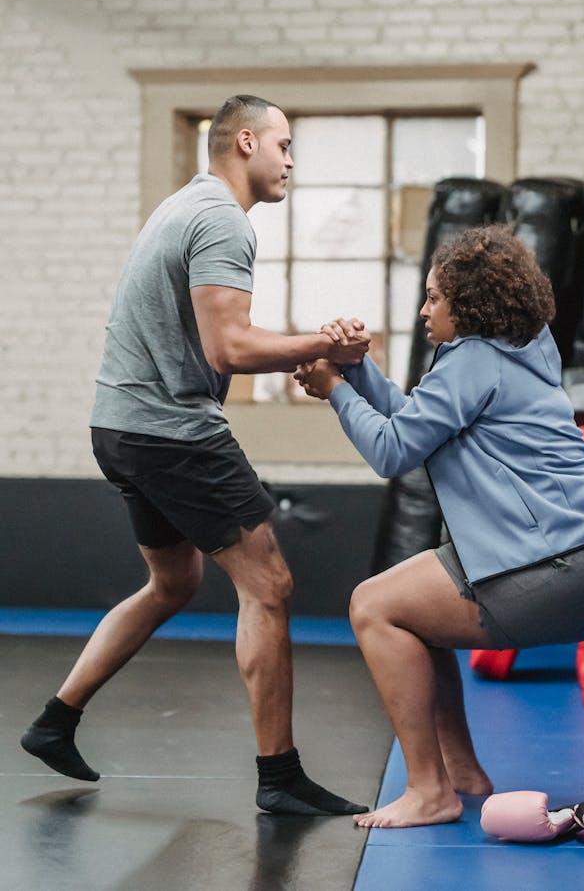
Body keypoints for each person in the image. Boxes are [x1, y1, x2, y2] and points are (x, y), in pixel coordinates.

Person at [21, 94, 372, 817]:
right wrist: (325, 345)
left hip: (120, 426)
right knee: (269, 584)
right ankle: (280, 778)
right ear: (246, 142)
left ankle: (54, 722)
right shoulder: (220, 220)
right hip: (170, 431)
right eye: (284, 145)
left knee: (172, 583)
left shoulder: (183, 205)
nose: (291, 161)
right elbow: (229, 349)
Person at [295, 225, 584, 829]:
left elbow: (391, 451)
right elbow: (420, 422)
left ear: (469, 304)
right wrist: (361, 370)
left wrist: (333, 390)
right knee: (414, 615)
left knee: (372, 606)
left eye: (433, 297)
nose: (425, 310)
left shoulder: (472, 359)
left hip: (552, 567)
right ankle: (462, 774)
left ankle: (428, 790)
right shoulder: (524, 349)